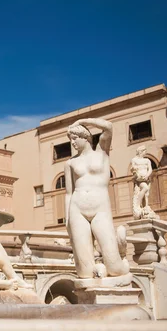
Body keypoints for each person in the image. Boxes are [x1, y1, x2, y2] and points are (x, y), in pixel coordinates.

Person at [64, 118, 129, 279]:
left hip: (100, 208)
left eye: (75, 138)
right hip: (77, 209)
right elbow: (68, 193)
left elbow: (108, 127)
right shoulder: (70, 163)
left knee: (115, 268)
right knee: (84, 273)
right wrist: (67, 219)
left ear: (85, 137)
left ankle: (121, 255)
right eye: (70, 139)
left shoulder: (102, 152)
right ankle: (97, 269)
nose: (72, 143)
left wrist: (81, 121)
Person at [130, 145, 154, 220]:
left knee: (146, 194)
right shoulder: (134, 160)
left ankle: (145, 206)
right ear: (141, 151)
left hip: (146, 178)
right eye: (144, 151)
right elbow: (132, 169)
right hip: (139, 179)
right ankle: (137, 204)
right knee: (145, 188)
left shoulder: (147, 160)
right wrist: (134, 170)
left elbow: (150, 169)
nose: (145, 152)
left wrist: (147, 175)